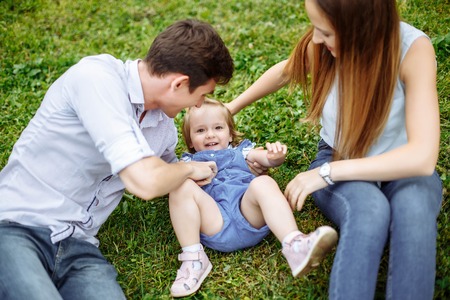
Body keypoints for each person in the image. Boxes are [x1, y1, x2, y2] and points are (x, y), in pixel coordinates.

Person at [0, 19, 234, 300]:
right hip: (16, 227)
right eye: (201, 95)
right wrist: (187, 169)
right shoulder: (96, 79)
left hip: (79, 248)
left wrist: (234, 167)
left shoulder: (163, 130)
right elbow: (147, 181)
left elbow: (173, 179)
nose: (197, 105)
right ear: (180, 83)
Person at [226, 0, 443, 299]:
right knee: (369, 211)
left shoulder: (412, 49)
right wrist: (230, 108)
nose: (315, 39)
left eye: (326, 32)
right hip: (339, 152)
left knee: (414, 211)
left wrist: (325, 173)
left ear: (360, 28)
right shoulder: (324, 47)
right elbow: (287, 71)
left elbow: (421, 157)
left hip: (399, 164)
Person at [168, 98, 338, 298]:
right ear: (189, 141)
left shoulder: (242, 151)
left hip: (247, 214)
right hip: (214, 221)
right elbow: (170, 182)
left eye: (218, 127)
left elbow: (265, 159)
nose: (210, 134)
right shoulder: (188, 162)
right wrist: (187, 173)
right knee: (179, 184)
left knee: (263, 183)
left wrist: (275, 156)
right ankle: (194, 258)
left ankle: (294, 244)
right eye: (200, 131)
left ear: (230, 134)